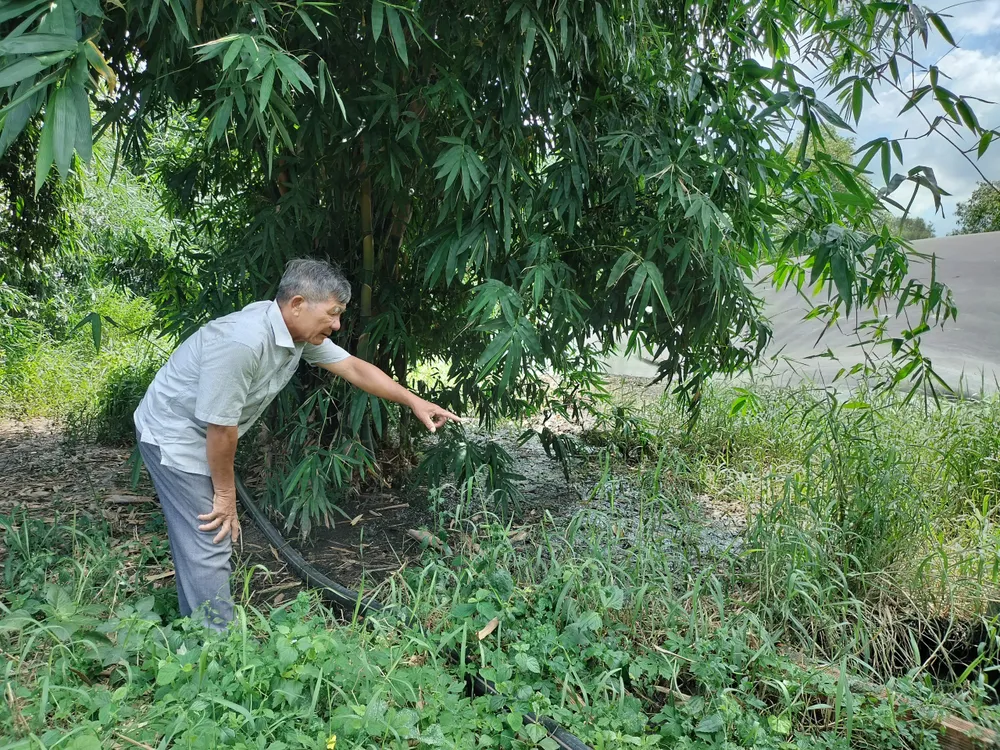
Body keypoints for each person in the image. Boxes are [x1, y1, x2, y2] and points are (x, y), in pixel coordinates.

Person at [133, 258, 460, 630]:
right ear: (298, 304)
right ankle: (212, 650)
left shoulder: (296, 335)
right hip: (174, 435)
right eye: (333, 313)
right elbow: (220, 430)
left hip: (208, 431)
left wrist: (415, 401)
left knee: (204, 534)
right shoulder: (243, 342)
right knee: (212, 535)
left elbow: (353, 367)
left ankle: (198, 621)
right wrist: (225, 496)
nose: (337, 325)